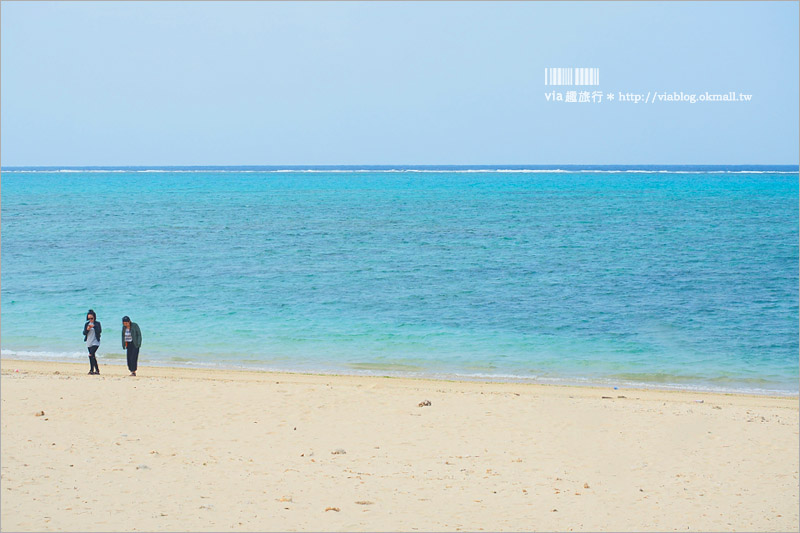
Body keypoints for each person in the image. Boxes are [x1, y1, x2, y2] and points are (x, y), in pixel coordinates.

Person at [83, 309, 102, 375]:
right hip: (89, 341)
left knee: (90, 354)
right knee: (92, 356)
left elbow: (99, 331)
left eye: (92, 318)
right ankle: (96, 370)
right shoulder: (87, 324)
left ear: (94, 317)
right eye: (89, 318)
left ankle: (91, 369)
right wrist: (87, 329)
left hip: (96, 342)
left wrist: (94, 327)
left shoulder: (97, 323)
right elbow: (84, 333)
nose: (90, 320)